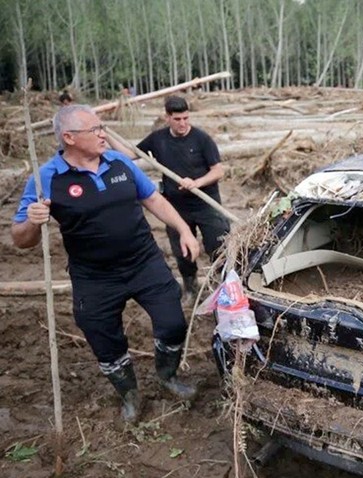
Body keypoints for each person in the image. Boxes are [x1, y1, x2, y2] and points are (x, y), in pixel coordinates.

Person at [11, 105, 201, 424]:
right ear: (69, 138)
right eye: (95, 129)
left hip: (144, 262)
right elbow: (20, 239)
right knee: (105, 341)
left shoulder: (120, 162)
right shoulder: (46, 179)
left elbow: (152, 199)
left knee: (173, 324)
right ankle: (129, 394)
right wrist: (32, 222)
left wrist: (184, 230)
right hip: (94, 277)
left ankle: (167, 375)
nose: (104, 134)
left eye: (103, 127)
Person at [109, 96, 229, 306]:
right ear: (167, 118)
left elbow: (218, 170)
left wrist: (197, 182)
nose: (182, 124)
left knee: (219, 246)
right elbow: (130, 154)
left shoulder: (201, 139)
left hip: (206, 203)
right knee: (183, 252)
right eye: (177, 119)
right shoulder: (158, 139)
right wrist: (107, 136)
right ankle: (190, 289)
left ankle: (224, 289)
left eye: (186, 118)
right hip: (176, 206)